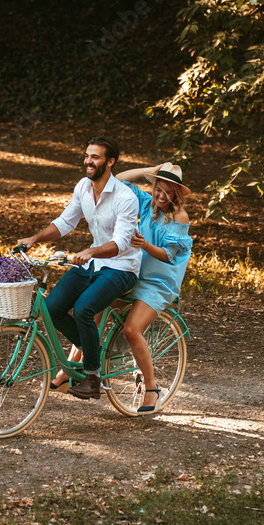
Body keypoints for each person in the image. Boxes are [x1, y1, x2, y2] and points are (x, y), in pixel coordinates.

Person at [48, 163, 193, 414]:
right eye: (159, 189)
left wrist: (145, 245)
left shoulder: (179, 217)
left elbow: (170, 256)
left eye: (168, 192)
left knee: (131, 329)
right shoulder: (147, 203)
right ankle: (72, 367)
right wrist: (151, 168)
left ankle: (151, 388)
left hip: (158, 282)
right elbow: (116, 180)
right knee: (94, 307)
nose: (161, 196)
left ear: (176, 194)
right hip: (134, 272)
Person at [16, 135, 140, 400]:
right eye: (87, 155)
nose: (88, 161)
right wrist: (34, 239)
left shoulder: (125, 197)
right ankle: (91, 347)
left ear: (110, 162)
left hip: (122, 267)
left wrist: (91, 250)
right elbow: (65, 222)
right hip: (95, 262)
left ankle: (93, 378)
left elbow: (120, 244)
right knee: (51, 309)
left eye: (95, 157)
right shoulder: (83, 186)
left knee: (84, 308)